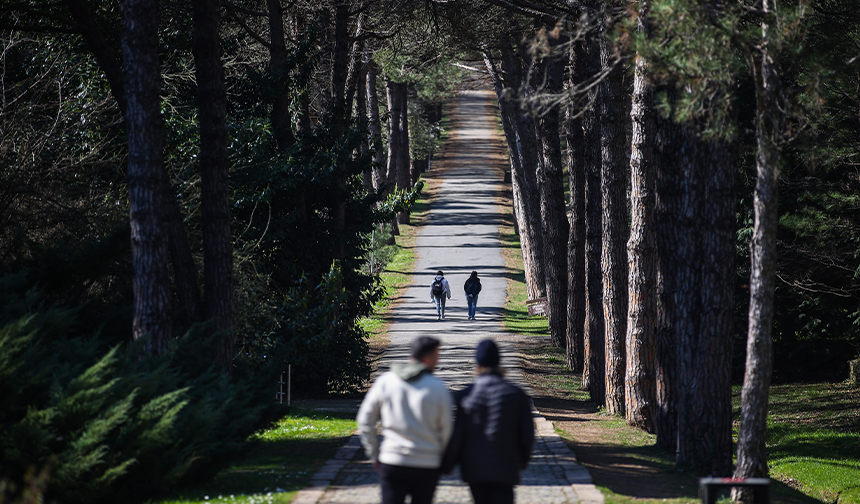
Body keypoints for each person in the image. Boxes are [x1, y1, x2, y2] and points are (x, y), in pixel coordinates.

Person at [356, 336, 454, 504]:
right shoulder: (438, 387)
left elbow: (365, 420)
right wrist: (442, 455)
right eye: (437, 356)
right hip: (427, 464)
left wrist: (374, 453)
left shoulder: (386, 381)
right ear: (427, 358)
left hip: (393, 460)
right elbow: (447, 429)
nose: (438, 361)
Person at [457, 339, 534, 504]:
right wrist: (522, 461)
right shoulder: (516, 394)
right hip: (505, 466)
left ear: (477, 362)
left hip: (475, 468)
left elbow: (458, 435)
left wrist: (450, 463)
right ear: (498, 361)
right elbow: (527, 434)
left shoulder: (465, 396)